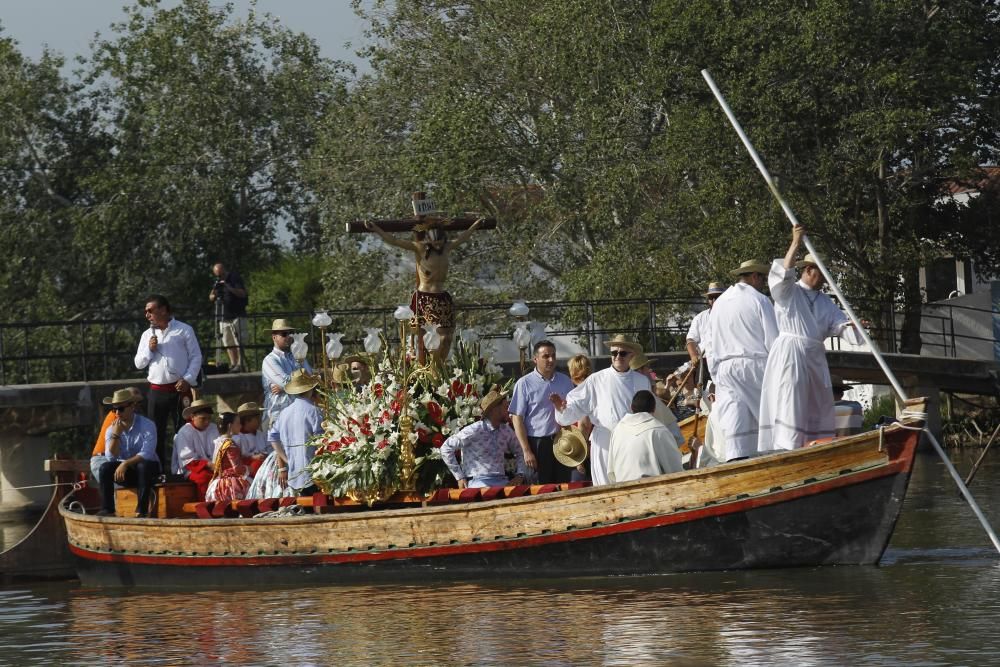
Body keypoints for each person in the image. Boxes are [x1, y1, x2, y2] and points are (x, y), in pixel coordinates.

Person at [758, 226, 866, 452]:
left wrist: (854, 327)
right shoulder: (790, 293)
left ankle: (815, 447)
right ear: (808, 269)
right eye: (822, 271)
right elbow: (780, 277)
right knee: (791, 399)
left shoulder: (826, 301)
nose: (827, 277)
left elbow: (839, 326)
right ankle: (787, 448)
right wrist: (795, 242)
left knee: (817, 402)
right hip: (792, 353)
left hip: (815, 358)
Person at [365, 218, 482, 363]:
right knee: (431, 337)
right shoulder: (420, 248)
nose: (438, 246)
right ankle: (429, 367)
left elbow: (463, 238)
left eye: (440, 242)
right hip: (426, 298)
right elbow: (394, 241)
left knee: (447, 338)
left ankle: (439, 366)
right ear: (429, 240)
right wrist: (376, 229)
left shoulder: (447, 247)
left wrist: (475, 226)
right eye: (435, 243)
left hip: (442, 298)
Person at [552, 335, 652, 486]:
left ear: (632, 355)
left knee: (632, 486)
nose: (618, 356)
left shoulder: (642, 381)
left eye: (622, 353)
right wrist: (562, 409)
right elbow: (574, 407)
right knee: (605, 488)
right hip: (605, 443)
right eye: (614, 353)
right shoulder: (596, 380)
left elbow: (648, 415)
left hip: (632, 443)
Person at [708, 260, 778, 461]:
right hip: (754, 363)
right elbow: (773, 340)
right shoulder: (760, 300)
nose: (764, 283)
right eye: (762, 278)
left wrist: (716, 375)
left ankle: (737, 460)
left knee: (736, 415)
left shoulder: (719, 303)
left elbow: (710, 344)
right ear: (754, 276)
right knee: (769, 416)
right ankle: (775, 458)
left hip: (725, 368)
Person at [134, 294, 203, 467]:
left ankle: (184, 470)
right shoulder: (146, 335)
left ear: (163, 310)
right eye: (145, 311)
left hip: (180, 388)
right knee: (155, 433)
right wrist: (150, 349)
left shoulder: (184, 329)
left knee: (184, 431)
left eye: (150, 310)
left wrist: (188, 379)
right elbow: (139, 363)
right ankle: (159, 471)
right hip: (157, 391)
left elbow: (196, 357)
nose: (147, 315)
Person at [248, 370, 324, 498]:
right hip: (314, 471)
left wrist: (285, 458)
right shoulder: (314, 411)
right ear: (310, 389)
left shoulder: (284, 413)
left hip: (294, 471)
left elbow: (272, 437)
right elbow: (321, 440)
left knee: (303, 508)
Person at [508, 340, 576, 483]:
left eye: (553, 356)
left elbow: (573, 412)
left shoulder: (565, 381)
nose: (551, 360)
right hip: (538, 444)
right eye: (545, 356)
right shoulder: (524, 384)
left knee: (563, 486)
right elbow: (517, 419)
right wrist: (526, 450)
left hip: (562, 442)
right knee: (542, 488)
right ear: (535, 359)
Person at [441, 385, 527, 488]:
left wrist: (520, 475)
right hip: (477, 483)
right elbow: (446, 448)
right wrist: (459, 477)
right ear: (495, 409)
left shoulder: (506, 430)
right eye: (505, 407)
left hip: (502, 482)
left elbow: (520, 452)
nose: (508, 411)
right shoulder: (474, 430)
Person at [96, 388, 160, 517]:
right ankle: (108, 509)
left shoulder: (147, 425)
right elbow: (111, 457)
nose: (117, 413)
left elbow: (147, 453)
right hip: (128, 472)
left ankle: (142, 510)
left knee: (143, 466)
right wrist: (116, 435)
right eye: (114, 409)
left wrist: (125, 464)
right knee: (105, 468)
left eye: (121, 409)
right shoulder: (111, 429)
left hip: (149, 470)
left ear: (132, 407)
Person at [608, 390, 683, 483]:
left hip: (622, 489)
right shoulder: (659, 430)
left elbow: (611, 472)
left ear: (631, 408)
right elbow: (676, 471)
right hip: (651, 490)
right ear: (654, 409)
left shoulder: (617, 430)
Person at [261, 319, 312, 429]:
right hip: (277, 414)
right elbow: (284, 382)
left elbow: (311, 379)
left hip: (298, 413)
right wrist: (297, 382)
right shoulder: (269, 360)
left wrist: (286, 387)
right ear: (274, 337)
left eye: (290, 333)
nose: (289, 337)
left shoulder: (298, 356)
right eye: (284, 334)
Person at [90, 386, 144, 483]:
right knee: (119, 493)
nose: (136, 406)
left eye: (138, 403)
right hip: (103, 459)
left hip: (112, 459)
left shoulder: (129, 417)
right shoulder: (120, 416)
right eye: (134, 402)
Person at [629, 353, 686, 444]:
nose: (650, 370)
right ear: (640, 371)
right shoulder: (647, 399)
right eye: (647, 367)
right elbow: (675, 437)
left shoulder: (649, 397)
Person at [171, 398, 219, 500]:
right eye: (203, 419)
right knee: (204, 477)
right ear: (193, 417)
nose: (207, 422)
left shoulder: (213, 428)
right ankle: (206, 505)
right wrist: (209, 465)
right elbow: (187, 460)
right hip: (191, 470)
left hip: (214, 466)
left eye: (209, 418)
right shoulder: (184, 432)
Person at [207, 262, 248, 372]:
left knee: (239, 341)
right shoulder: (217, 282)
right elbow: (211, 297)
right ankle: (233, 363)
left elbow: (243, 293)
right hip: (224, 316)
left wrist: (228, 286)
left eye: (221, 274)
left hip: (237, 315)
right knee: (228, 342)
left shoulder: (234, 278)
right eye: (217, 275)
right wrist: (215, 292)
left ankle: (240, 364)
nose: (219, 277)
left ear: (224, 270)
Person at [206, 412, 251, 503]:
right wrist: (249, 469)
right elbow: (237, 469)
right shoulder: (230, 445)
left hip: (219, 482)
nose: (240, 426)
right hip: (231, 485)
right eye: (238, 423)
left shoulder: (219, 442)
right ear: (230, 426)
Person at [566, 354, 593, 482]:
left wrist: (579, 459)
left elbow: (584, 425)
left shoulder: (576, 395)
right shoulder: (595, 390)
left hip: (582, 451)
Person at [687, 282, 725, 368]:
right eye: (711, 297)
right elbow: (690, 340)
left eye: (718, 297)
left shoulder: (732, 315)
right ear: (708, 299)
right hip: (704, 361)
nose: (714, 300)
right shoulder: (700, 318)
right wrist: (693, 356)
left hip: (725, 361)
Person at [234, 401, 269, 477]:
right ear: (247, 420)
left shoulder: (261, 434)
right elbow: (236, 460)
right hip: (248, 472)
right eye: (257, 418)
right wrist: (253, 457)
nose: (260, 420)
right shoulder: (237, 438)